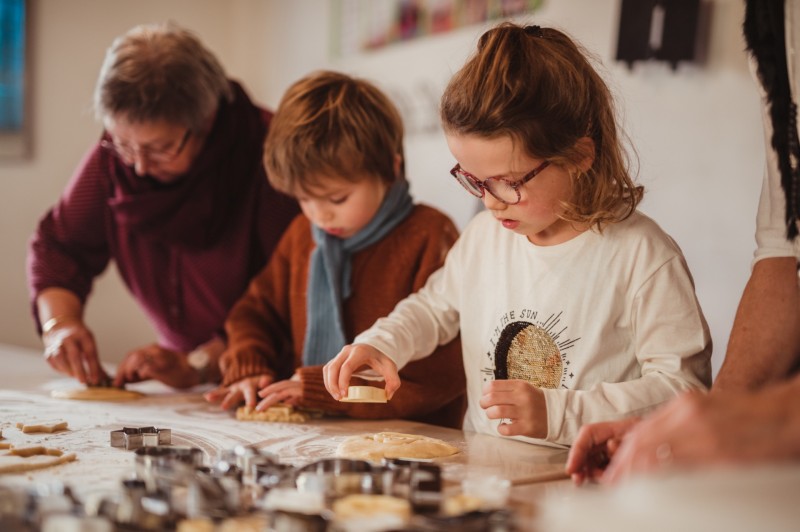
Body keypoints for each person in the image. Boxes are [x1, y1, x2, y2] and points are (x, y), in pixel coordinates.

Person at [322, 22, 712, 446]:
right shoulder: (482, 237)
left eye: (508, 181)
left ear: (580, 155)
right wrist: (382, 344)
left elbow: (684, 390)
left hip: (592, 486)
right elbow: (433, 308)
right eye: (473, 179)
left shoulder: (642, 255)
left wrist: (561, 413)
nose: (490, 201)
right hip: (485, 476)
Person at [566, 0, 800, 484]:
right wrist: (714, 419)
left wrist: (771, 420)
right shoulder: (774, 20)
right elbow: (785, 248)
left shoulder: (643, 251)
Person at [26, 22, 299, 389]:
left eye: (160, 148)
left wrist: (200, 363)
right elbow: (60, 248)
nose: (138, 165)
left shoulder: (270, 156)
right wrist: (59, 325)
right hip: (180, 375)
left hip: (263, 375)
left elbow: (285, 297)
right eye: (122, 142)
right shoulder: (113, 162)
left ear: (207, 120)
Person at [203, 71, 466, 428]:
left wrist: (321, 390)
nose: (319, 213)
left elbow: (441, 375)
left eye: (337, 198)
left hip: (412, 439)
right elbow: (254, 312)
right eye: (303, 199)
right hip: (318, 432)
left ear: (390, 168)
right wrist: (250, 369)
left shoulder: (430, 235)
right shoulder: (304, 234)